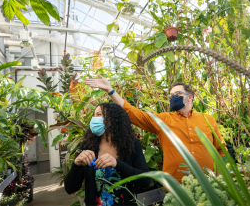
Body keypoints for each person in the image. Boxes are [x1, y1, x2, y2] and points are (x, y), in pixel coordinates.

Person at [85, 75, 227, 183]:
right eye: (171, 95)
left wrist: (221, 176)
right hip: (176, 187)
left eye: (177, 94)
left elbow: (221, 150)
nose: (173, 98)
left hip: (209, 183)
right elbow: (134, 114)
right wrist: (110, 90)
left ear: (189, 97)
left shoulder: (208, 119)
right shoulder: (164, 120)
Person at [64, 103, 151, 206]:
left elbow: (145, 181)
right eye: (94, 115)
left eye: (99, 114)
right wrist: (76, 165)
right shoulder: (88, 145)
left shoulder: (131, 144)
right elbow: (70, 188)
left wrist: (117, 164)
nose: (94, 119)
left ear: (112, 119)